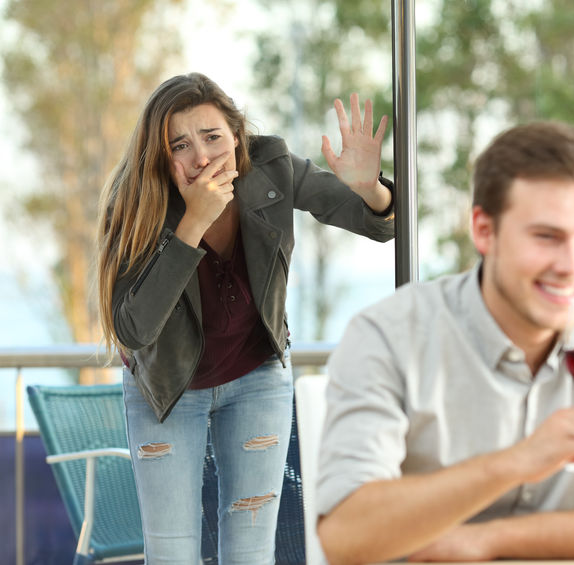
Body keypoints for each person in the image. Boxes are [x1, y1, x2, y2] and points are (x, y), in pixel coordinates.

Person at [317, 121, 574, 565]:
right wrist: (517, 461)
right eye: (546, 237)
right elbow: (346, 536)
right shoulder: (389, 336)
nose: (572, 265)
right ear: (483, 230)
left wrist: (485, 540)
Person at [95, 72, 394, 563]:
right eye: (181, 145)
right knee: (172, 555)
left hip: (257, 378)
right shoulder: (136, 202)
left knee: (250, 552)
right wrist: (194, 221)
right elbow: (133, 330)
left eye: (213, 137)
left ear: (237, 135)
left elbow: (380, 224)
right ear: (160, 156)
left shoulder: (272, 167)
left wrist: (371, 189)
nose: (203, 156)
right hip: (166, 391)